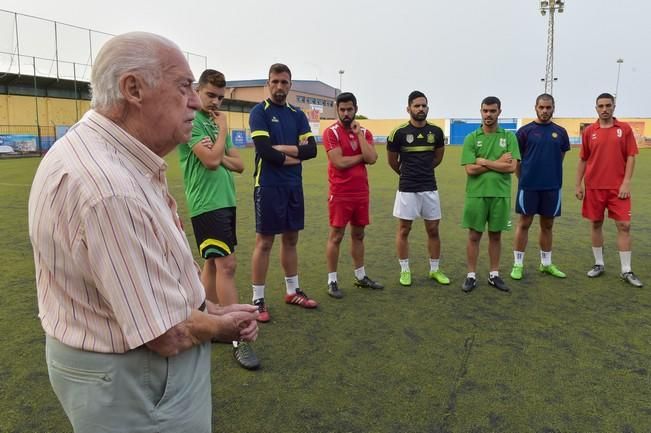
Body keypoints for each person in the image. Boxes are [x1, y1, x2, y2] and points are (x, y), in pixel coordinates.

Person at [27, 32, 259, 433]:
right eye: (184, 86)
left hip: (116, 372)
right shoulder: (109, 189)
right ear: (133, 89)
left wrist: (212, 308)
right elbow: (165, 333)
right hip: (137, 383)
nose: (194, 101)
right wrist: (221, 327)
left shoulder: (103, 152)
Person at [178, 69, 259, 370]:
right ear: (198, 91)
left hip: (225, 202)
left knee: (213, 264)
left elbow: (238, 164)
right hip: (206, 205)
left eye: (220, 97)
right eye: (211, 95)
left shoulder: (212, 123)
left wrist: (219, 150)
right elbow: (211, 161)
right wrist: (222, 132)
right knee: (227, 265)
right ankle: (238, 336)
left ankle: (204, 324)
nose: (215, 102)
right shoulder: (194, 123)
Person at [249, 63, 318, 321]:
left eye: (284, 82)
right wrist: (294, 154)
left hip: (292, 185)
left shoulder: (297, 115)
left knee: (291, 239)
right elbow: (264, 152)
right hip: (267, 185)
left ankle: (292, 291)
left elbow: (312, 151)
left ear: (290, 85)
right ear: (269, 83)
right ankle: (258, 299)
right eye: (275, 82)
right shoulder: (259, 112)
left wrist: (282, 150)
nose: (279, 87)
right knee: (265, 242)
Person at [575, 92, 643, 287]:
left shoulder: (624, 129)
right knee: (596, 224)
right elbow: (583, 159)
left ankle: (626, 270)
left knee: (624, 225)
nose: (604, 109)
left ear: (614, 107)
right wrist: (578, 184)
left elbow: (631, 156)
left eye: (608, 105)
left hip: (618, 188)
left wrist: (626, 182)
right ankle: (599, 264)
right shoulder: (589, 131)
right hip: (594, 187)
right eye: (601, 106)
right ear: (596, 108)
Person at [322, 92, 383, 299]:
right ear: (337, 110)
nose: (346, 113)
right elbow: (339, 162)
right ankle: (332, 280)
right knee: (336, 236)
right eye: (342, 110)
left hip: (361, 192)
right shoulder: (331, 132)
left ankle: (360, 276)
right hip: (340, 193)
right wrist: (361, 157)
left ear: (355, 109)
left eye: (349, 109)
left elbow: (373, 158)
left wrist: (358, 136)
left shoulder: (364, 132)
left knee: (359, 234)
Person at [387, 90, 450, 287]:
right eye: (416, 106)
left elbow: (438, 158)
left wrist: (424, 171)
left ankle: (435, 269)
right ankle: (405, 270)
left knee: (433, 228)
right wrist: (407, 174)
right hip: (407, 188)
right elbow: (392, 162)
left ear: (427, 108)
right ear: (409, 109)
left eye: (423, 106)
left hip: (429, 187)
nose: (420, 109)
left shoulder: (436, 132)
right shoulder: (398, 133)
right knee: (404, 229)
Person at [460, 96, 520, 293]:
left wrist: (483, 162)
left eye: (492, 111)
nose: (488, 114)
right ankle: (471, 276)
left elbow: (511, 167)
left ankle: (494, 275)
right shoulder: (472, 138)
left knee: (496, 236)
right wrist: (498, 162)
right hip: (476, 195)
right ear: (480, 111)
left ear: (499, 112)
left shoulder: (510, 137)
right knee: (474, 235)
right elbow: (470, 169)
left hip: (500, 194)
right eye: (485, 111)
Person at [510, 93, 570, 280]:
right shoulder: (524, 131)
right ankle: (518, 264)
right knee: (524, 223)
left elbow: (560, 157)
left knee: (548, 224)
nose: (545, 111)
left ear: (553, 108)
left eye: (548, 107)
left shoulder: (560, 132)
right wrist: (524, 178)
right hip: (528, 186)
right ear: (535, 107)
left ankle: (546, 264)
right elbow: (516, 160)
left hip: (552, 186)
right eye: (541, 107)